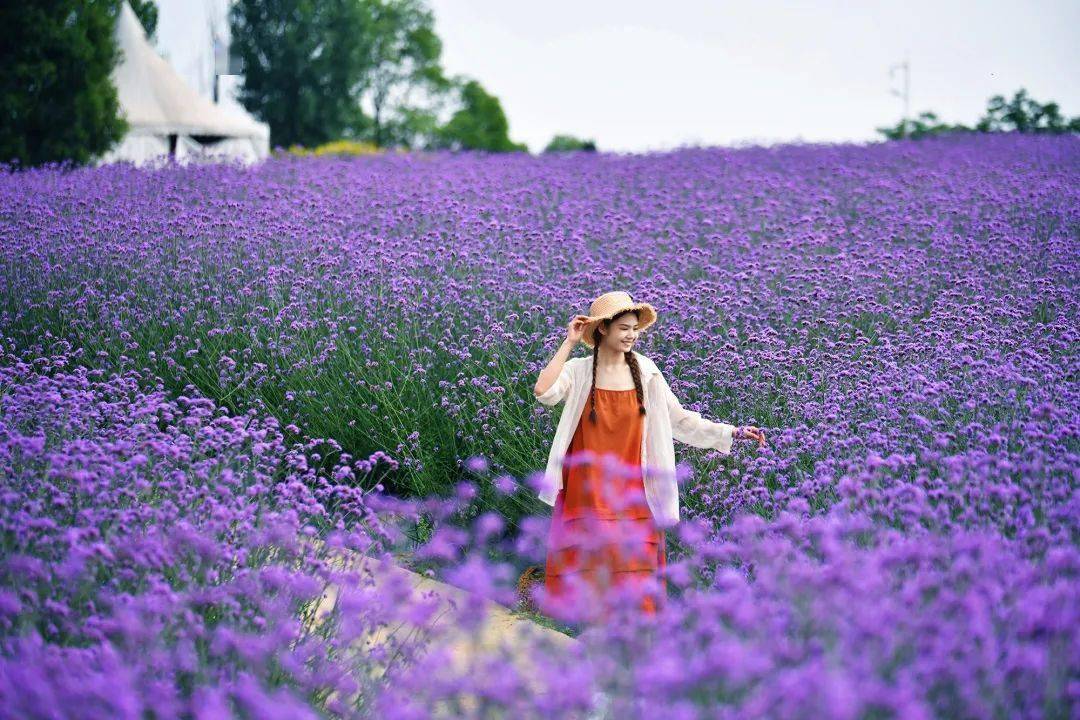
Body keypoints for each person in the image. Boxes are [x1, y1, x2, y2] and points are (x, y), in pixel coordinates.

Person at [531, 290, 765, 624]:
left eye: (634, 328)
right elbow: (544, 393)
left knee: (635, 570)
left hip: (634, 490)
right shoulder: (580, 371)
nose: (631, 335)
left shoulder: (647, 371)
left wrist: (730, 432)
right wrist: (569, 342)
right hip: (587, 489)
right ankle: (580, 635)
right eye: (623, 328)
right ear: (602, 330)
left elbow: (680, 420)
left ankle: (632, 643)